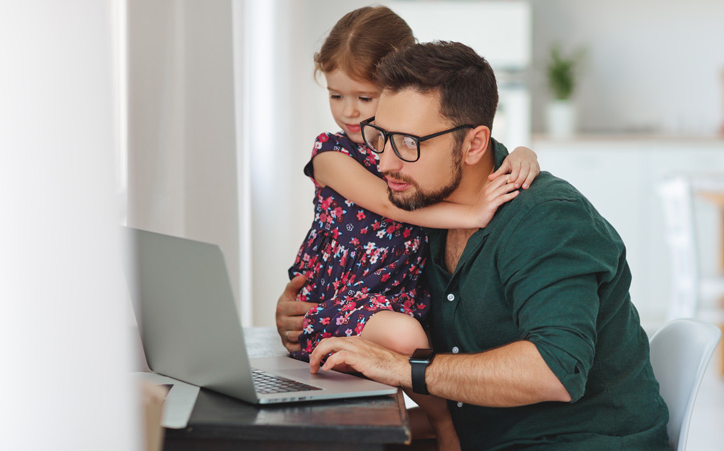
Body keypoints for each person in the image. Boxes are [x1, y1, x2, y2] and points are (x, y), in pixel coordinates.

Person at [279, 40, 671, 449]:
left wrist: (404, 368)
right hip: (482, 436)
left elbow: (553, 371)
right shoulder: (420, 211)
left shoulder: (549, 220)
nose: (384, 163)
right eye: (381, 137)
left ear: (473, 144)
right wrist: (304, 315)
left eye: (409, 144)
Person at [285, 7, 539, 450]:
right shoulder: (331, 154)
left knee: (405, 346)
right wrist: (472, 215)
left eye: (365, 98)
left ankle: (429, 425)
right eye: (335, 96)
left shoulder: (420, 156)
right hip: (342, 294)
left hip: (395, 294)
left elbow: (473, 154)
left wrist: (522, 153)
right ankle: (444, 425)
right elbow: (387, 204)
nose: (349, 113)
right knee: (404, 337)